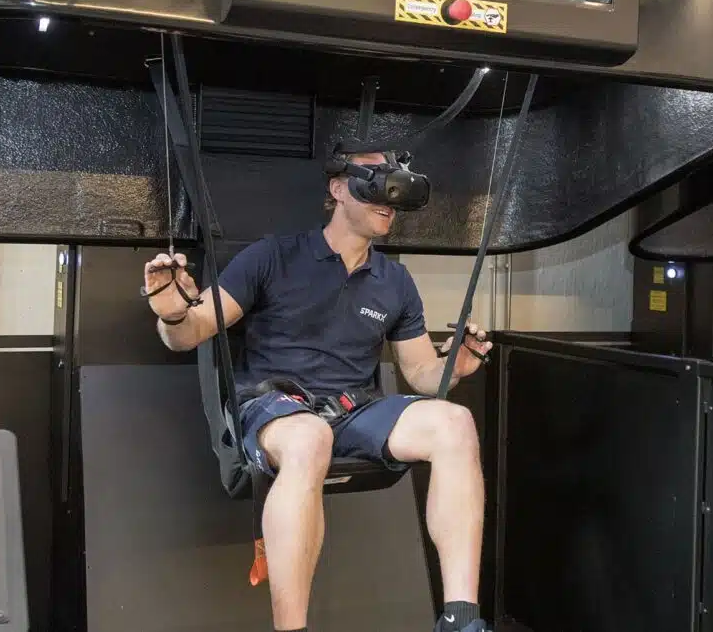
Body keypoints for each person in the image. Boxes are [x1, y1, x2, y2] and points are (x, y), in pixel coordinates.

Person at [143, 151, 494, 632]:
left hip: (352, 410)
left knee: (455, 423)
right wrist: (172, 312)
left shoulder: (395, 281)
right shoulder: (272, 256)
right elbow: (190, 332)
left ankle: (460, 620)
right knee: (310, 437)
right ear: (337, 189)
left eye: (393, 186)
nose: (388, 198)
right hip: (275, 406)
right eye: (374, 181)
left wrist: (456, 367)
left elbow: (420, 372)